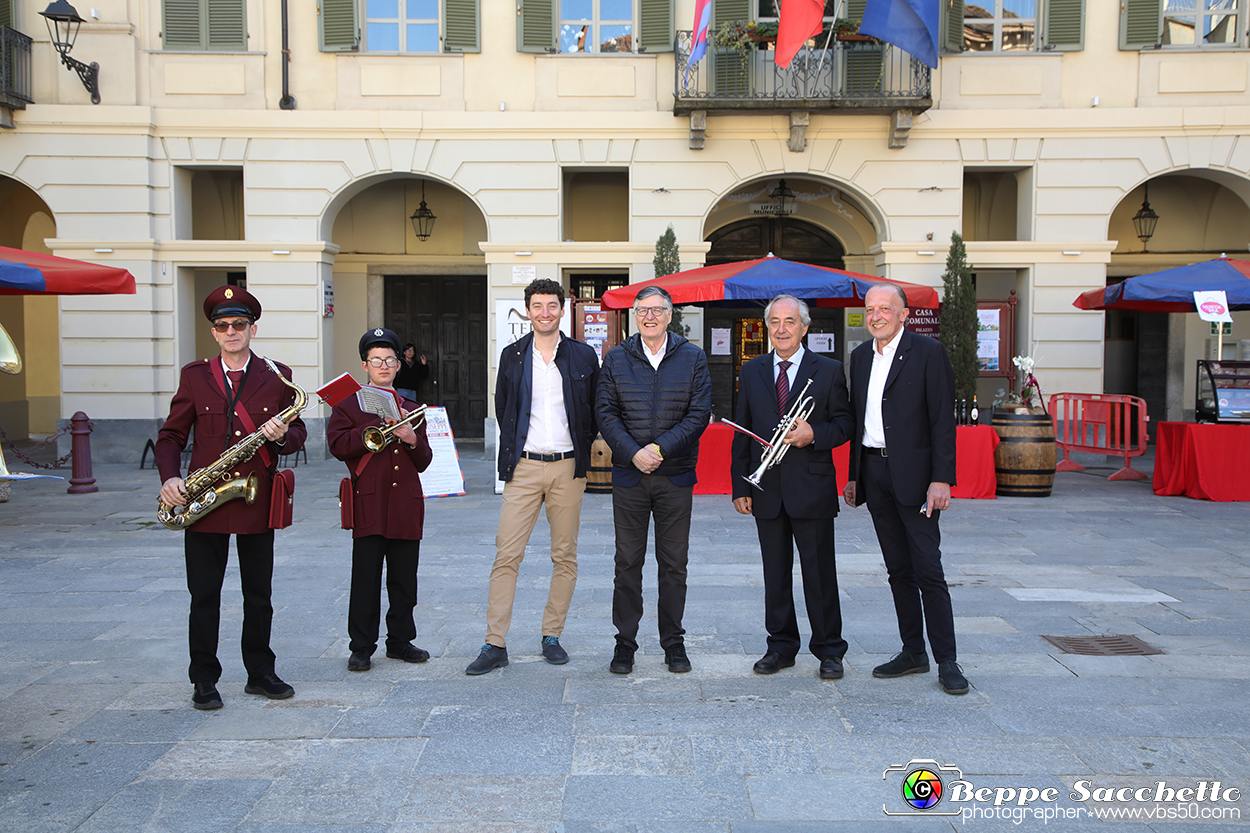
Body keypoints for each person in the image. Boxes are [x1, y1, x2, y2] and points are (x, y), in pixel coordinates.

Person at [156, 285, 308, 710]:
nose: (230, 331)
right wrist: (170, 477)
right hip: (203, 499)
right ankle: (203, 677)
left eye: (239, 324)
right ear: (214, 333)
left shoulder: (276, 375)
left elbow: (299, 433)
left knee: (259, 594)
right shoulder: (194, 375)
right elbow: (171, 436)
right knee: (204, 594)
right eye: (222, 326)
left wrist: (282, 438)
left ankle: (260, 672)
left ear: (252, 329)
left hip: (253, 496)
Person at [465, 279, 599, 675]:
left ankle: (552, 635)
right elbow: (504, 408)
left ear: (563, 308)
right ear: (527, 311)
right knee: (507, 554)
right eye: (537, 306)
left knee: (565, 555)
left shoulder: (583, 356)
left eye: (551, 305)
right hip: (523, 468)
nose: (544, 312)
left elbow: (593, 409)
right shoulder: (511, 356)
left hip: (567, 468)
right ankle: (495, 644)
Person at [842, 283, 969, 695]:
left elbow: (941, 421)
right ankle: (913, 651)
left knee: (928, 570)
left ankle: (947, 661)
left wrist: (941, 478)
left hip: (917, 477)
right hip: (874, 474)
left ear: (904, 315)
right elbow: (860, 421)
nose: (875, 315)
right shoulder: (860, 357)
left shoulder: (928, 354)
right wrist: (854, 475)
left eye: (885, 308)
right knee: (898, 569)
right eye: (870, 309)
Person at [731, 295, 853, 680]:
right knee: (775, 572)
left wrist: (814, 433)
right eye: (775, 322)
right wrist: (740, 485)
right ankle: (780, 646)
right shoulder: (752, 371)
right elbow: (743, 432)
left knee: (819, 573)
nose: (781, 328)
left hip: (811, 487)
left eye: (790, 321)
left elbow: (846, 424)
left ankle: (830, 650)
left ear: (804, 327)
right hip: (766, 487)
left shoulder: (829, 369)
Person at [595, 286, 711, 675]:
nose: (649, 316)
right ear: (634, 315)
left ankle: (673, 643)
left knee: (674, 563)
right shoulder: (615, 359)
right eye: (642, 310)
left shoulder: (692, 356)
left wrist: (658, 449)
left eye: (657, 310)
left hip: (675, 477)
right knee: (627, 562)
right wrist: (633, 453)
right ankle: (625, 644)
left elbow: (699, 414)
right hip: (630, 477)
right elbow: (605, 413)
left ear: (670, 314)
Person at [327, 328, 434, 672]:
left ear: (398, 365)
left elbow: (424, 461)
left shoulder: (414, 409)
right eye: (377, 360)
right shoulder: (348, 406)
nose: (384, 365)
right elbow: (338, 446)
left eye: (390, 360)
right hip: (369, 501)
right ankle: (361, 646)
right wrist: (369, 430)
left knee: (404, 579)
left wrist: (411, 437)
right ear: (365, 365)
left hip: (405, 503)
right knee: (365, 578)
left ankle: (400, 641)